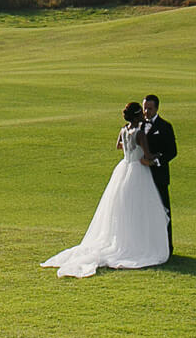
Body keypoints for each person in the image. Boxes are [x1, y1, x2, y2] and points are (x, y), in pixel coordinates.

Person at [41, 101, 170, 277]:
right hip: (138, 170)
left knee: (122, 208)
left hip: (124, 167)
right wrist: (154, 156)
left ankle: (126, 240)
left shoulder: (124, 130)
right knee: (140, 207)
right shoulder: (139, 134)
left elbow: (119, 145)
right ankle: (138, 244)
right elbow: (147, 155)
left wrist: (129, 150)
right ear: (138, 115)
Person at [141, 93, 176, 254]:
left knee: (163, 212)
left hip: (159, 176)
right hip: (141, 176)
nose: (146, 112)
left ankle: (167, 247)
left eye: (149, 109)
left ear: (156, 108)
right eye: (144, 108)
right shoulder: (138, 125)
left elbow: (172, 152)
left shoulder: (165, 126)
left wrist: (155, 161)